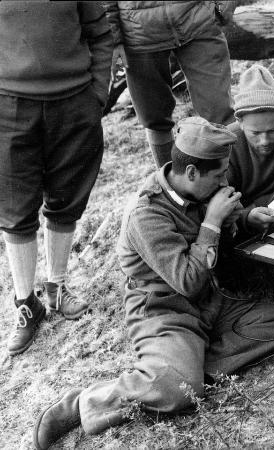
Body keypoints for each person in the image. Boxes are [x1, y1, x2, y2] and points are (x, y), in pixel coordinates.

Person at [33, 117, 274, 449]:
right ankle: (85, 404)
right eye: (219, 174)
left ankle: (186, 372)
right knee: (177, 390)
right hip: (164, 309)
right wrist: (212, 220)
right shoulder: (147, 214)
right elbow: (186, 280)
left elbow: (224, 231)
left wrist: (245, 218)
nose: (225, 180)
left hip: (210, 300)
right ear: (191, 173)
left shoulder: (201, 189)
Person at [0, 2, 112, 356]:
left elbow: (99, 32)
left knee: (66, 198)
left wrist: (96, 94)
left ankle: (57, 287)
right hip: (10, 106)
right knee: (16, 208)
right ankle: (25, 304)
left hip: (74, 102)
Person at [103, 1, 236, 168]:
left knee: (219, 111)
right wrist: (113, 39)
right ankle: (171, 186)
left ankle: (235, 181)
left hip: (197, 21)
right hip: (138, 35)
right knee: (154, 118)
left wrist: (225, 5)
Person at [226, 64, 274, 234]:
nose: (264, 141)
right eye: (255, 133)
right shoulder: (227, 143)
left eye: (272, 131)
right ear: (240, 123)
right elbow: (214, 204)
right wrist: (246, 217)